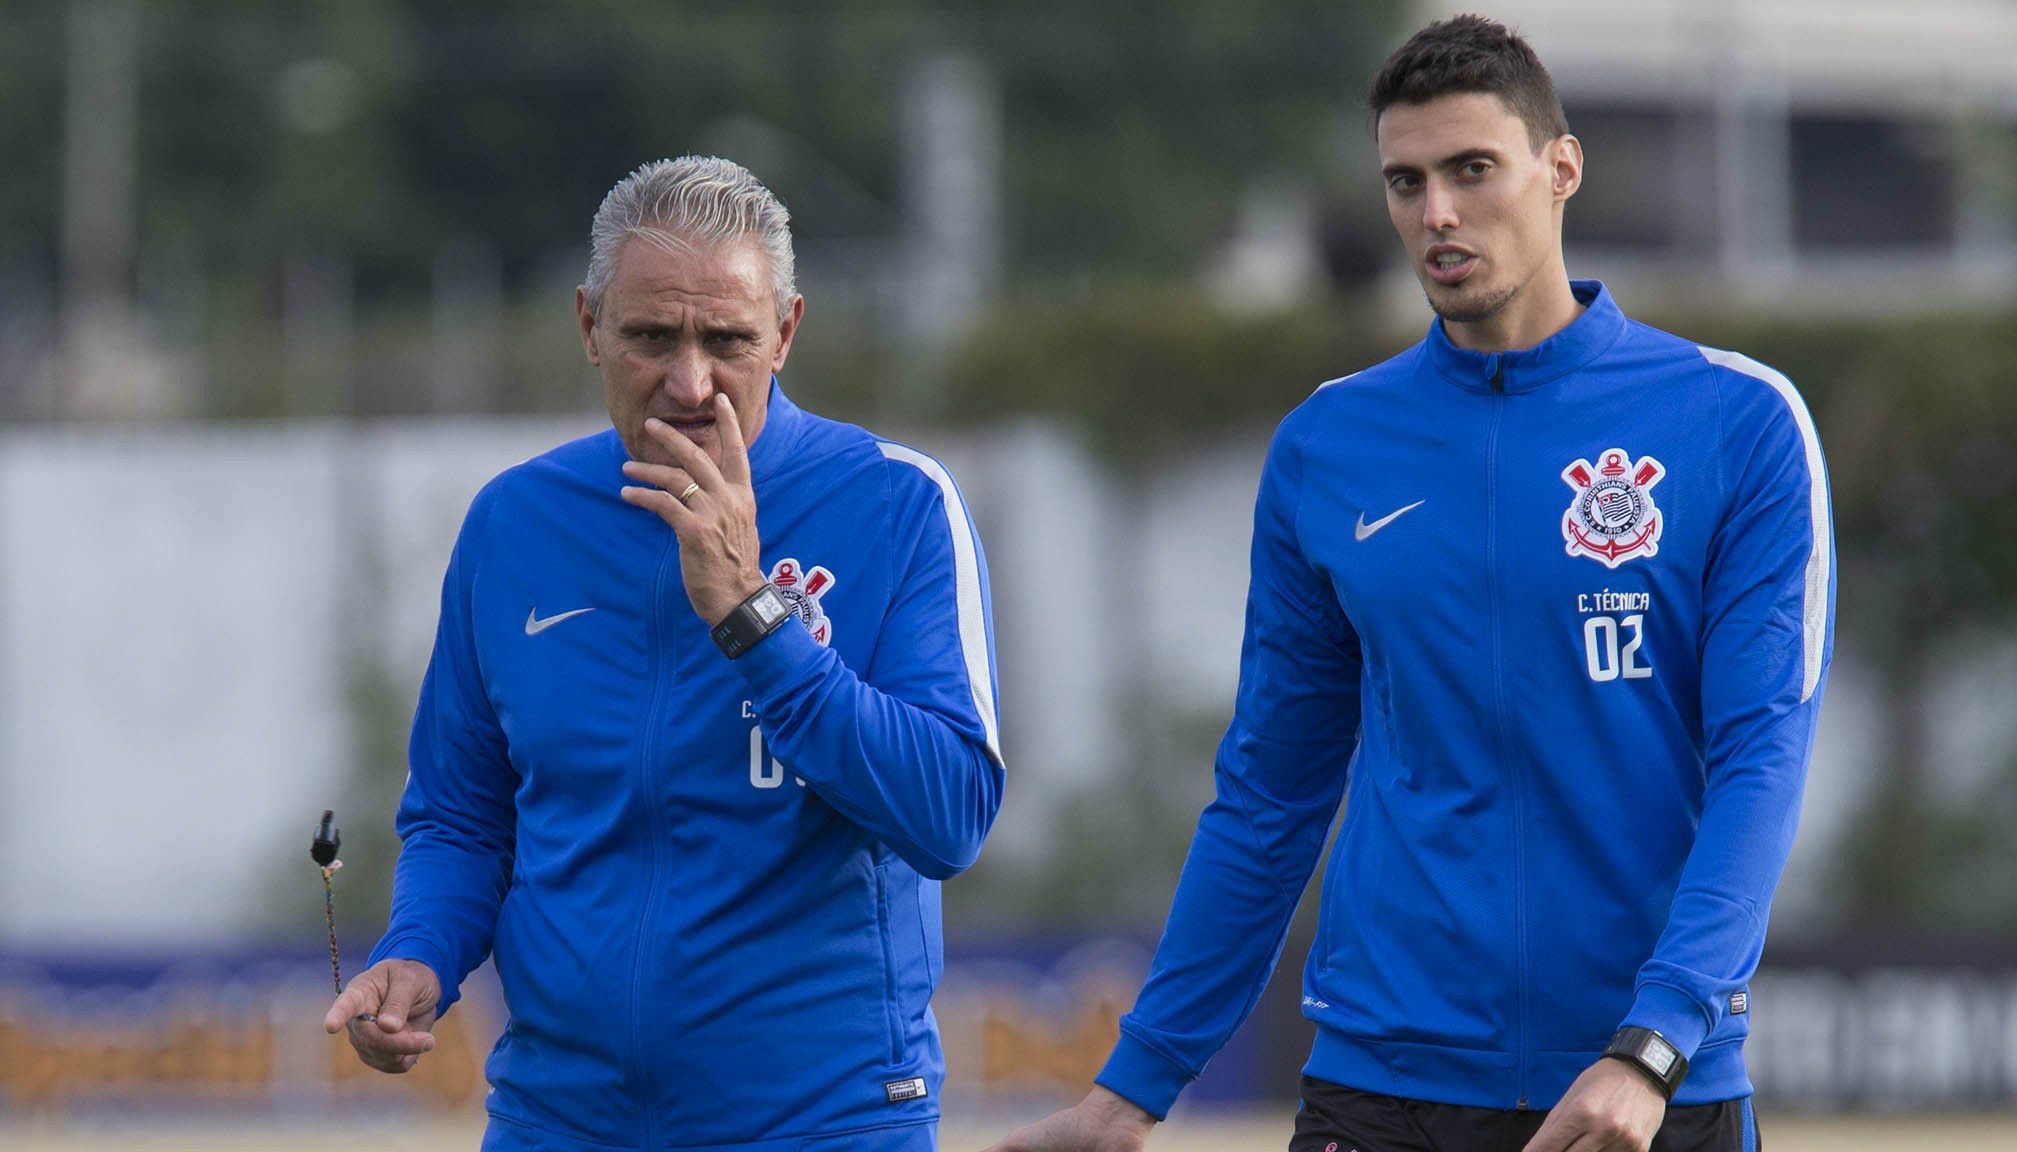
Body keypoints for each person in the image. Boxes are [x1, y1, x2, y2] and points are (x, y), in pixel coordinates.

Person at [987, 15, 1830, 1152]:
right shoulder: (1328, 446)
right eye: (1405, 181)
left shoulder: (1735, 421)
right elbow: (1268, 795)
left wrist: (1656, 1042)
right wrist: (1131, 1088)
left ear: (1559, 169)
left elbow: (1759, 761)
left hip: (1641, 1084)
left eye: (1471, 170)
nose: (1435, 213)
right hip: (1381, 1083)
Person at [322, 155, 1005, 1152]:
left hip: (823, 1126)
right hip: (556, 1121)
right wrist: (419, 956)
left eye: (726, 340)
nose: (689, 383)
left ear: (785, 333)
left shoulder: (897, 505)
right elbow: (463, 817)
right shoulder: (515, 524)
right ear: (590, 327)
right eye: (650, 337)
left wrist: (750, 615)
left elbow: (949, 818)